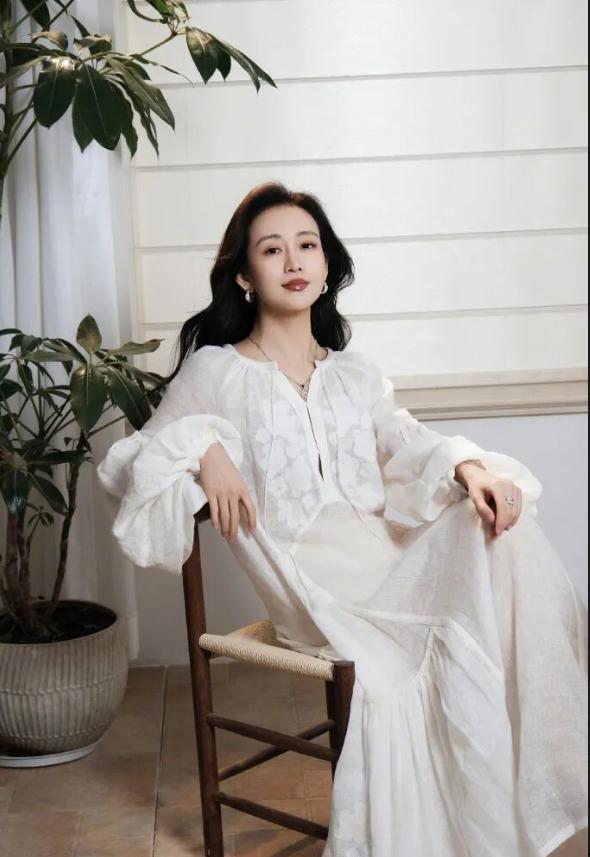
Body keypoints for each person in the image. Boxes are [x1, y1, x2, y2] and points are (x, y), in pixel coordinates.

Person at [98, 182, 588, 857]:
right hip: (313, 588)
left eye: (308, 245)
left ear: (327, 265)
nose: (294, 260)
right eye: (273, 249)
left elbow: (407, 439)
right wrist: (204, 450)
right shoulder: (216, 372)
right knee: (428, 645)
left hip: (389, 560)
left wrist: (471, 470)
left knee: (503, 525)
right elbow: (129, 464)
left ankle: (520, 807)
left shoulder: (355, 374)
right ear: (244, 275)